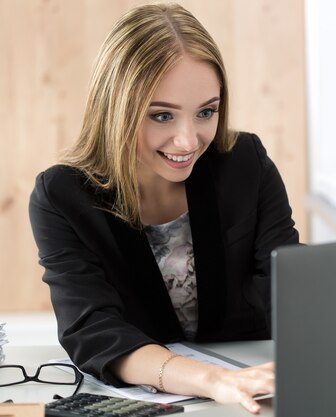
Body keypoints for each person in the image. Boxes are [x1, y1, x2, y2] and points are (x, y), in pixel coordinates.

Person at [28, 3, 299, 414]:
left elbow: (289, 284)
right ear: (116, 110)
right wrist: (213, 381)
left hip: (255, 386)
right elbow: (94, 332)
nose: (188, 141)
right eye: (161, 116)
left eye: (206, 111)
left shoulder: (246, 162)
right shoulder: (62, 195)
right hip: (169, 400)